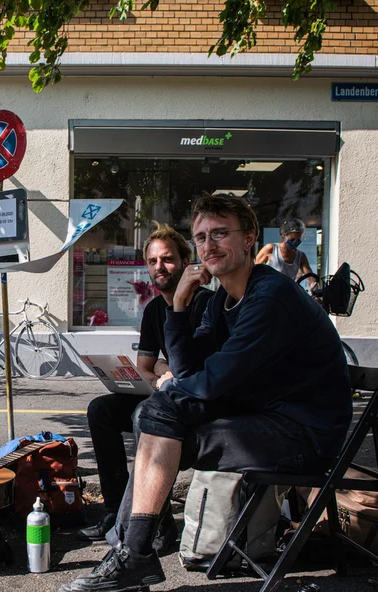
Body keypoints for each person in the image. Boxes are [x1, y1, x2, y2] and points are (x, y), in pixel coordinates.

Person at [61, 194, 352, 592]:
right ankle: (132, 553)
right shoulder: (223, 301)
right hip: (263, 417)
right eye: (201, 237)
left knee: (158, 415)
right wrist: (179, 305)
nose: (208, 245)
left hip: (303, 433)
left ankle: (132, 553)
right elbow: (188, 368)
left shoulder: (270, 297)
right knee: (154, 415)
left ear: (249, 238)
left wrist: (173, 394)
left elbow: (212, 381)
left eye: (220, 233)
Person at [77, 223, 213, 548]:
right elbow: (144, 367)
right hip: (168, 395)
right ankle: (114, 511)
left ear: (184, 261)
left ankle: (156, 526)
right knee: (101, 411)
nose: (158, 267)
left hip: (198, 406)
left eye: (167, 259)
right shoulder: (153, 309)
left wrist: (168, 373)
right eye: (152, 261)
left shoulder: (206, 303)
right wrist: (161, 375)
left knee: (144, 415)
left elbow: (197, 368)